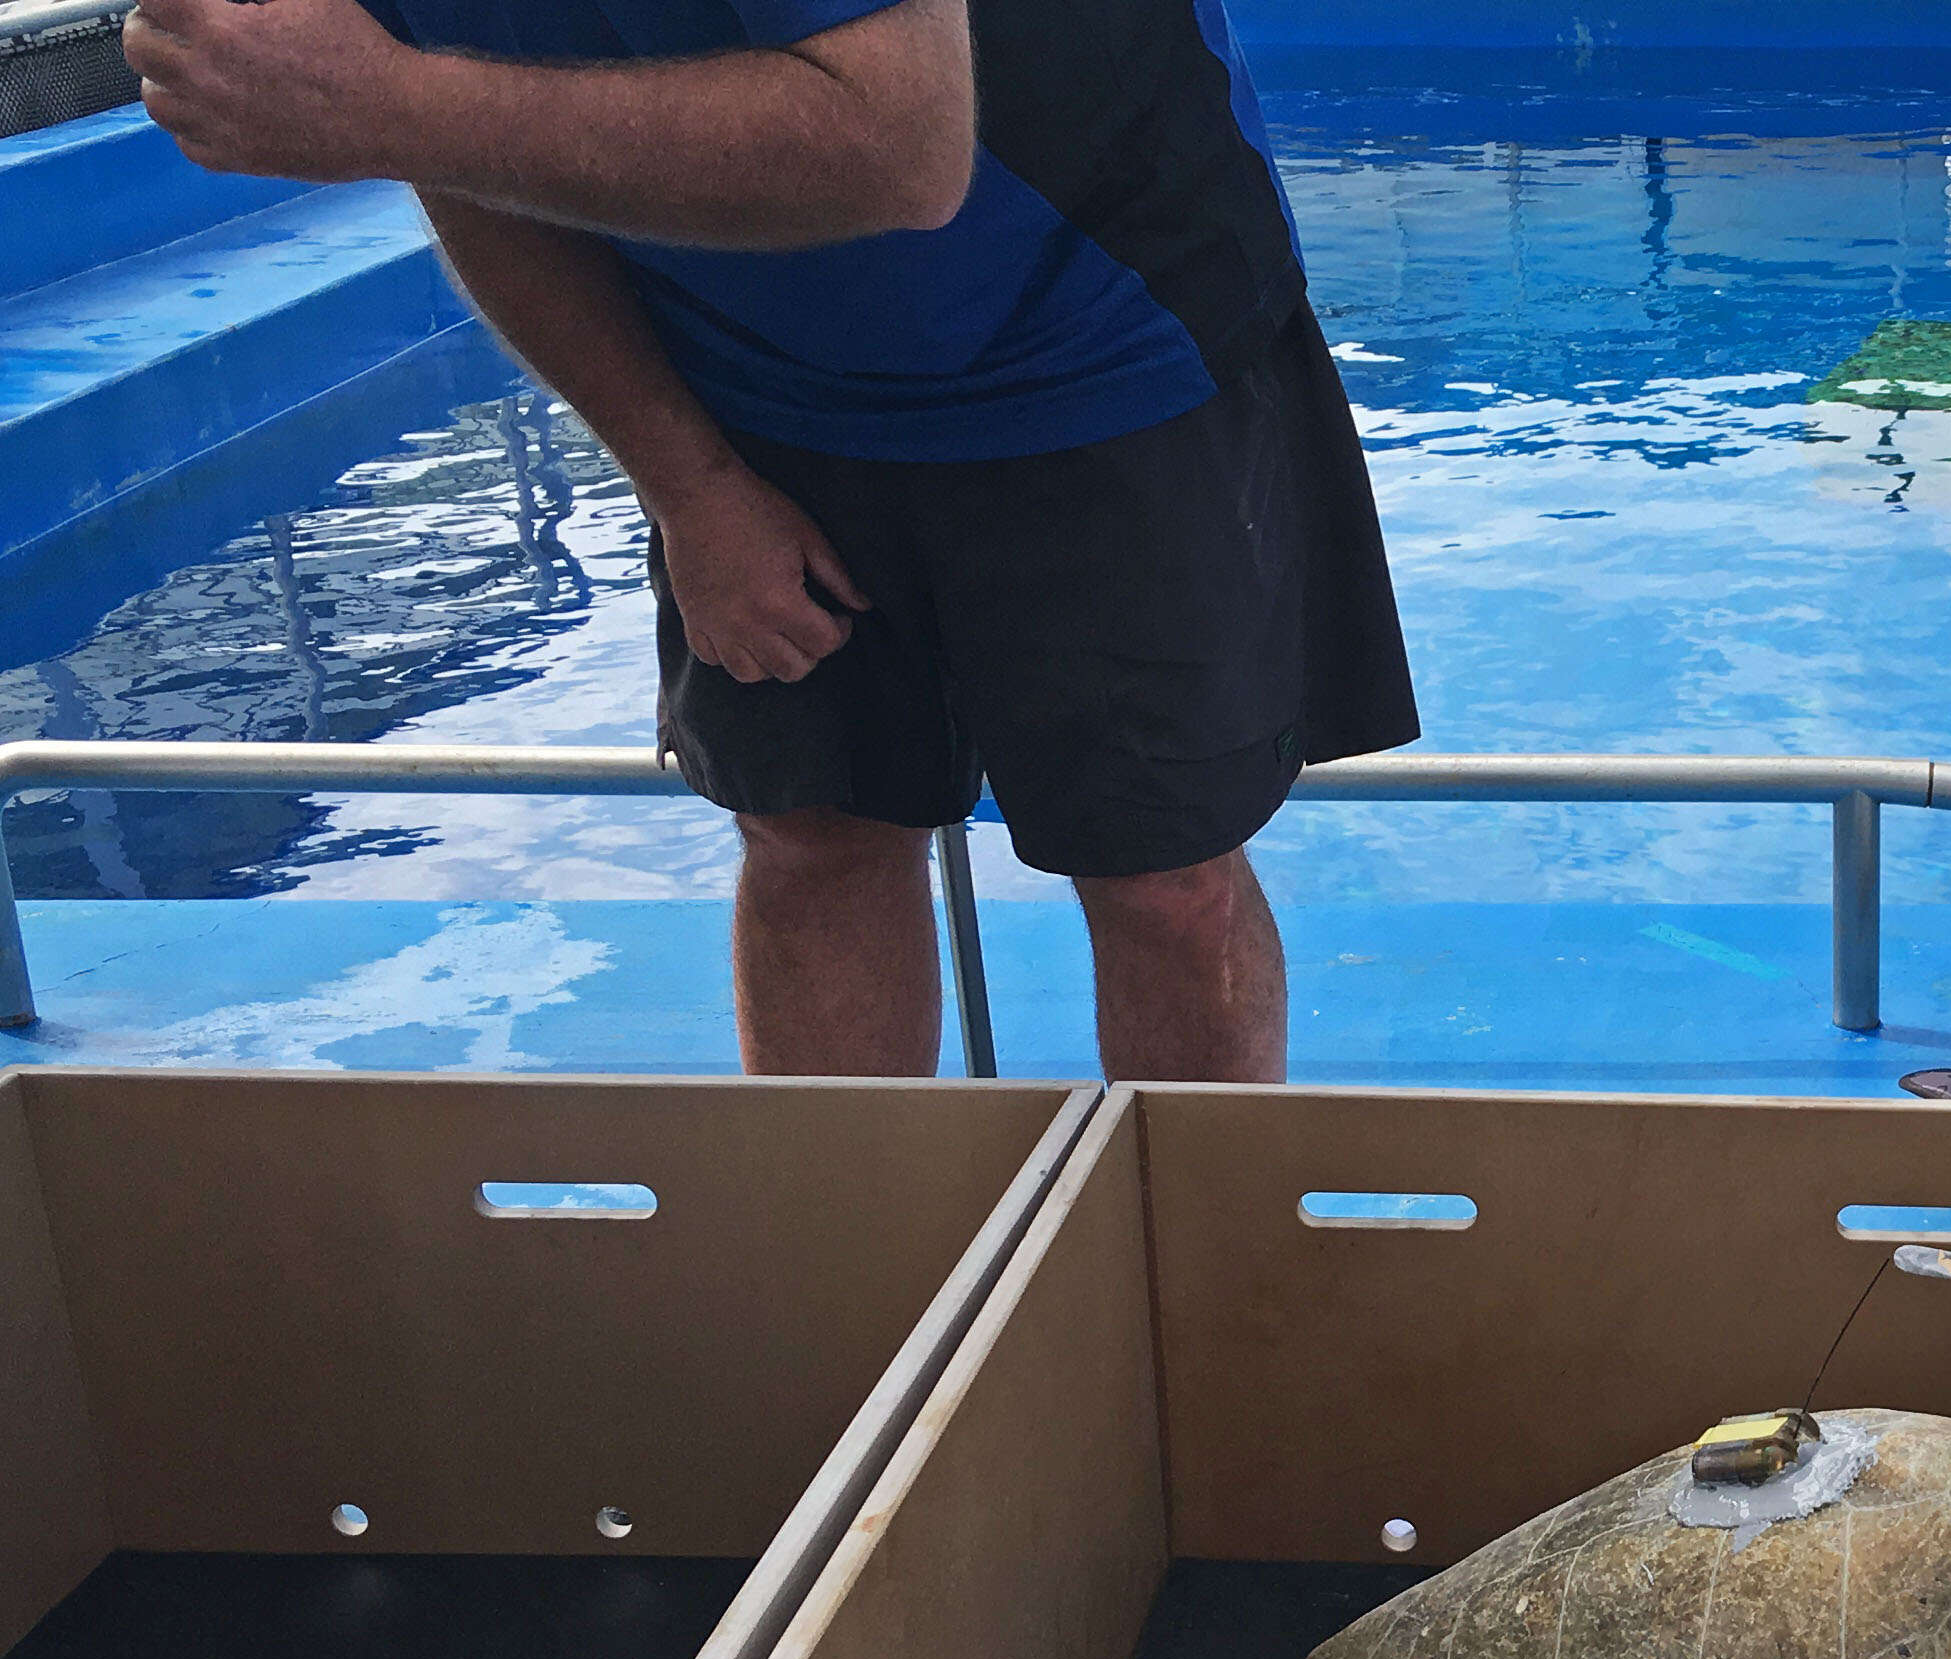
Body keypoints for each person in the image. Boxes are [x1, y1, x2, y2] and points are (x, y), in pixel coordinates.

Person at [122, 0, 1417, 1080]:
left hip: (1105, 321)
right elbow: (457, 134)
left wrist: (384, 102)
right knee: (811, 836)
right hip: (749, 384)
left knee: (1160, 876)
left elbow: (892, 140)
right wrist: (688, 483)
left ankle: (1194, 1291)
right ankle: (849, 1277)